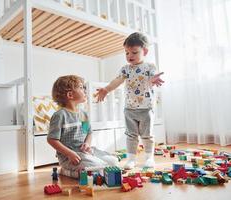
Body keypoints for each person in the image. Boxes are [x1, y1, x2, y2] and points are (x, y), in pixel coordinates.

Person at [96, 32, 164, 169]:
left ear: (144, 51)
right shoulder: (125, 69)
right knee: (131, 135)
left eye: (134, 52)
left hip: (146, 108)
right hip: (129, 109)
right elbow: (117, 81)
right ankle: (131, 159)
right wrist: (106, 89)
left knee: (147, 135)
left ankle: (149, 157)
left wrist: (153, 80)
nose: (129, 56)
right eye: (126, 53)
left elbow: (151, 79)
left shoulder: (149, 67)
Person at [47, 75, 118, 178]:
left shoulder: (83, 114)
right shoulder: (60, 115)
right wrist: (69, 154)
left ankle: (94, 166)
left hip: (85, 152)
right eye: (81, 87)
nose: (84, 90)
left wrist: (87, 144)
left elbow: (88, 132)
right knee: (97, 170)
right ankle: (65, 170)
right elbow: (52, 140)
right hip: (70, 157)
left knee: (113, 162)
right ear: (70, 95)